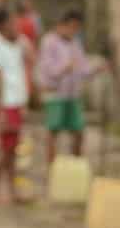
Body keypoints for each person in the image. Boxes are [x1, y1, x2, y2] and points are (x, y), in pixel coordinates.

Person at [37, 10, 101, 168]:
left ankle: (75, 166)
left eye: (77, 28)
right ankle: (51, 169)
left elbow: (82, 67)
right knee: (53, 131)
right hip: (55, 93)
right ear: (63, 25)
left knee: (78, 131)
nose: (74, 31)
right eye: (72, 27)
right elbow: (47, 69)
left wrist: (95, 69)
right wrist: (63, 68)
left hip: (73, 95)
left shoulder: (75, 43)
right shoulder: (49, 42)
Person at [0, 8, 32, 205]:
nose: (16, 26)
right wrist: (2, 110)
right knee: (5, 148)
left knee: (12, 148)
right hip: (3, 103)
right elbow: (0, 78)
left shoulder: (17, 43)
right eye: (12, 23)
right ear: (1, 26)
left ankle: (11, 190)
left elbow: (30, 59)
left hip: (16, 101)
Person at [16, 0, 43, 111]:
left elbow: (36, 35)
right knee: (26, 77)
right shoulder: (22, 20)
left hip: (26, 50)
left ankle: (32, 103)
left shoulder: (32, 19)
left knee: (30, 77)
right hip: (24, 50)